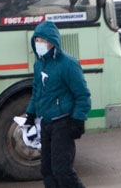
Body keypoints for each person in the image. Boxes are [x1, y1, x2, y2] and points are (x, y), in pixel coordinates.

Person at [25, 21, 91, 188]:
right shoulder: (39, 63)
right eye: (37, 40)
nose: (39, 44)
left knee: (62, 171)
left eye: (43, 41)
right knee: (47, 171)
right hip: (46, 124)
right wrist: (30, 115)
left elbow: (82, 95)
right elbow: (37, 91)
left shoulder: (68, 64)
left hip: (63, 123)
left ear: (52, 42)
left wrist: (78, 120)